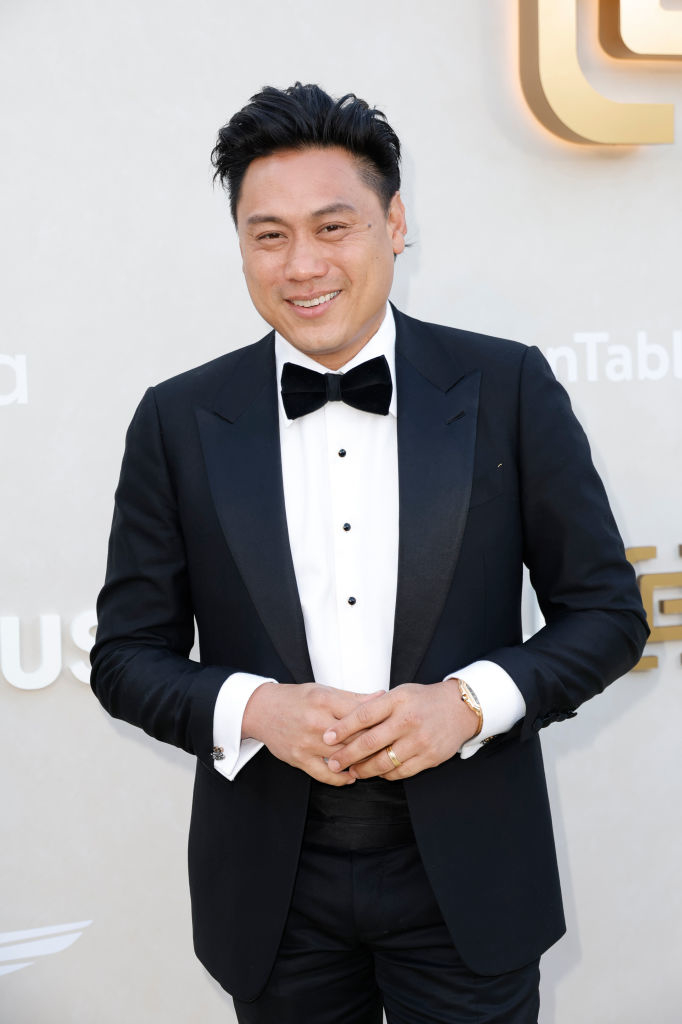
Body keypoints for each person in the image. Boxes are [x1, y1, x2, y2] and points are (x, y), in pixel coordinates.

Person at [91, 83, 648, 1024]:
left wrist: (467, 704)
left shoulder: (507, 384)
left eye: (333, 226)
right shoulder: (177, 418)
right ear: (239, 245)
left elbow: (606, 614)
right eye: (268, 235)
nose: (301, 264)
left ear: (395, 223)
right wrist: (258, 709)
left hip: (467, 874)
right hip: (274, 888)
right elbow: (125, 657)